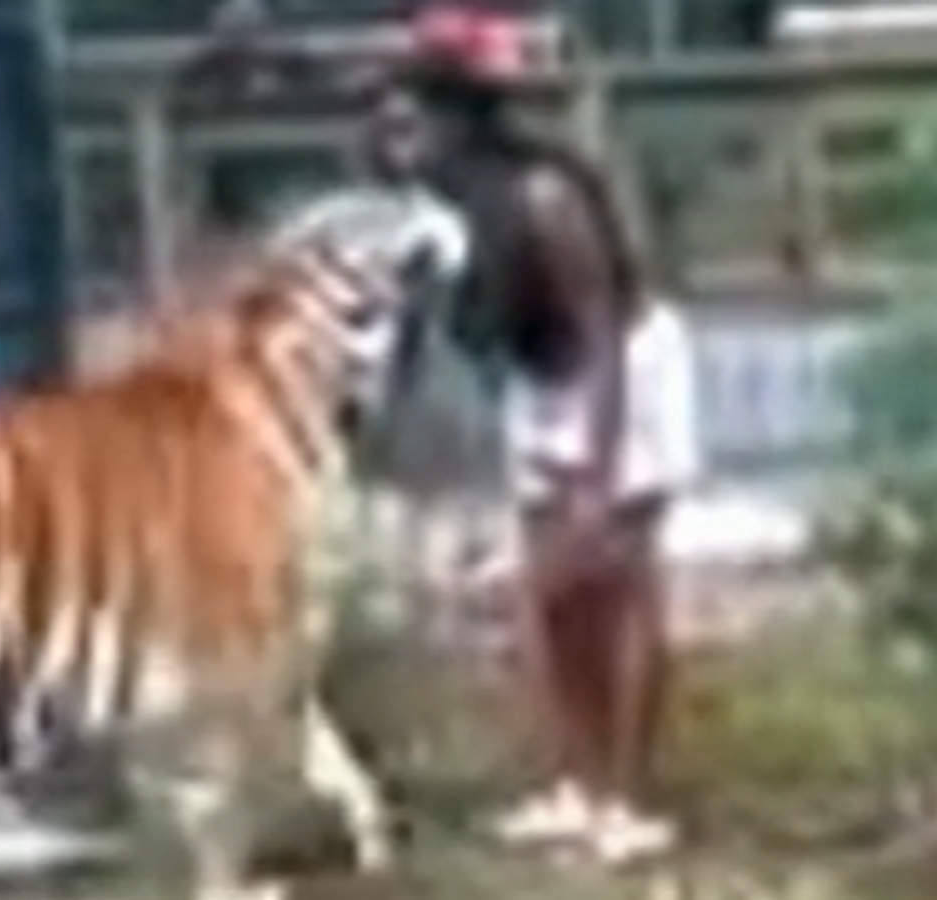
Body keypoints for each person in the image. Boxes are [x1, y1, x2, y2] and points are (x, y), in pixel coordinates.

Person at [378, 1, 702, 864]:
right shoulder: (437, 208)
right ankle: (575, 784)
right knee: (550, 604)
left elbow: (601, 332)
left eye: (409, 119)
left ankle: (628, 801)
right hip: (540, 378)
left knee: (616, 584)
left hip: (620, 374)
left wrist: (596, 479)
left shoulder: (542, 194)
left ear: (457, 121)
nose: (391, 134)